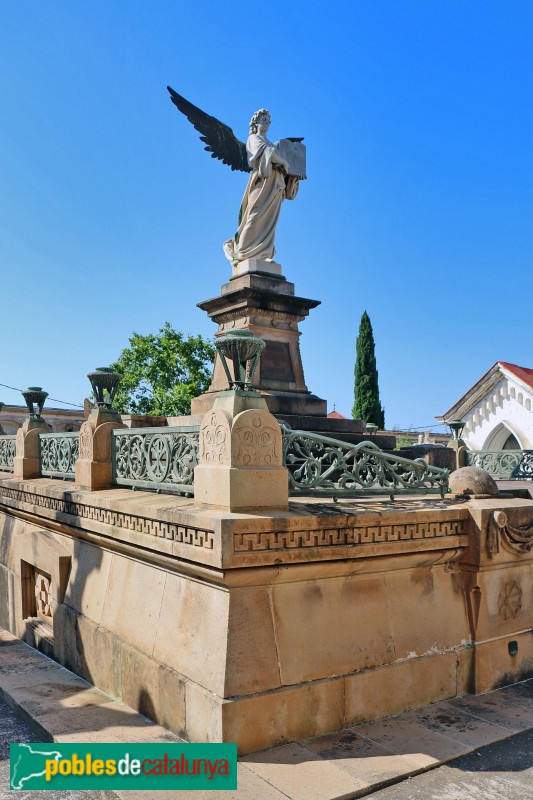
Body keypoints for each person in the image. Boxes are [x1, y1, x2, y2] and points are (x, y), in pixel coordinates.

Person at [223, 110, 300, 265]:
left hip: (275, 183)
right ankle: (243, 251)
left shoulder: (272, 144)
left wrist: (294, 172)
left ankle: (264, 253)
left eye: (268, 121)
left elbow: (275, 154)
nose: (267, 123)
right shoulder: (253, 139)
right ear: (256, 122)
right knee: (255, 214)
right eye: (264, 119)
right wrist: (284, 162)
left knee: (269, 220)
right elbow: (267, 153)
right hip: (262, 182)